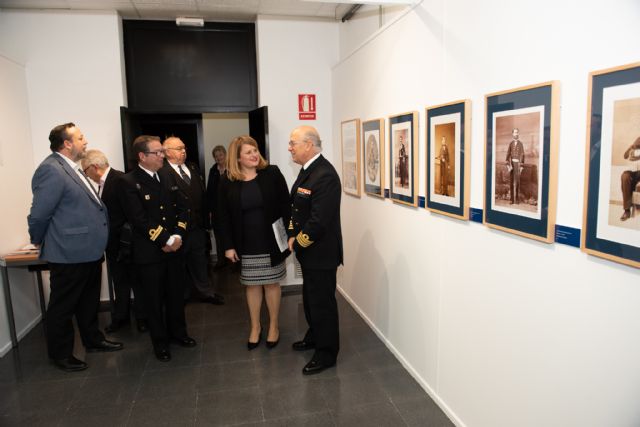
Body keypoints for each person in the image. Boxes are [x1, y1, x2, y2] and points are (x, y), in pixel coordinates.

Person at [27, 123, 123, 372]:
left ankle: (93, 340)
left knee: (88, 301)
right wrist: (37, 239)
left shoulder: (71, 168)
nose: (85, 141)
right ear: (67, 143)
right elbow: (39, 215)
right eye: (80, 137)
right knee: (63, 306)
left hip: (88, 250)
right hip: (69, 252)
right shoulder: (51, 170)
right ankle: (61, 354)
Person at [118, 135, 196, 362]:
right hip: (150, 252)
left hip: (174, 246)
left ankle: (179, 334)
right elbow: (139, 219)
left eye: (163, 151)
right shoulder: (129, 182)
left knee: (176, 294)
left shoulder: (167, 175)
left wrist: (178, 234)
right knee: (153, 300)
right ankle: (160, 343)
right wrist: (165, 240)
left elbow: (183, 207)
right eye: (158, 152)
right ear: (142, 156)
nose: (162, 155)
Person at [217, 135, 290, 350]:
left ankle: (274, 326)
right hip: (245, 243)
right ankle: (255, 327)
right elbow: (222, 217)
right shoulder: (227, 181)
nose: (254, 155)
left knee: (272, 284)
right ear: (237, 158)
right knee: (252, 285)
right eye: (248, 152)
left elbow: (286, 206)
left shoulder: (272, 173)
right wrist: (228, 246)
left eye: (255, 150)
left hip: (271, 241)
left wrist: (291, 235)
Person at [287, 125, 343, 375]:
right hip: (309, 252)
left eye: (293, 143)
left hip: (321, 253)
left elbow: (319, 221)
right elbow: (296, 209)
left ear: (309, 145)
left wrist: (298, 242)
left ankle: (327, 353)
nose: (290, 148)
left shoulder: (325, 175)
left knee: (322, 304)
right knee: (310, 300)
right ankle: (314, 336)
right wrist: (291, 234)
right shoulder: (307, 171)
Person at [81, 149, 147, 333]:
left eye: (85, 171)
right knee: (120, 281)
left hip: (126, 243)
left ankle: (142, 318)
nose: (87, 176)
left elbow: (132, 214)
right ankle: (122, 317)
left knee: (136, 281)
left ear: (94, 167)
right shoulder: (105, 183)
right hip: (113, 244)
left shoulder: (120, 180)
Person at [162, 136, 224, 305]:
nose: (183, 151)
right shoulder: (162, 172)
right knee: (178, 264)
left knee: (200, 261)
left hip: (197, 226)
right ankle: (182, 295)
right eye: (178, 149)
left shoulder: (192, 167)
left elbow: (202, 194)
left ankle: (206, 292)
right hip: (177, 229)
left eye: (184, 148)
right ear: (167, 152)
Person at [206, 145, 228, 269]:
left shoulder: (232, 168)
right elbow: (209, 191)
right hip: (216, 209)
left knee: (230, 234)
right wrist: (209, 210)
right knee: (218, 236)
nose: (219, 157)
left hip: (230, 209)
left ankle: (234, 263)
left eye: (221, 155)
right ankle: (221, 261)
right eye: (216, 156)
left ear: (225, 155)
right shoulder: (213, 170)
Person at [620, 136, 640, 221]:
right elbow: (625, 156)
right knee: (625, 176)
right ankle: (627, 210)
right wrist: (631, 148)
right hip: (634, 171)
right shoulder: (635, 145)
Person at [505, 128, 525, 205]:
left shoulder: (521, 144)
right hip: (511, 164)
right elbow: (508, 154)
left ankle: (516, 199)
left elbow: (523, 155)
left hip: (518, 164)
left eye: (517, 133)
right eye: (514, 133)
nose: (516, 134)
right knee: (511, 182)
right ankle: (511, 199)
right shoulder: (510, 144)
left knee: (517, 182)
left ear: (518, 134)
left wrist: (521, 166)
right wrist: (508, 165)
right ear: (512, 134)